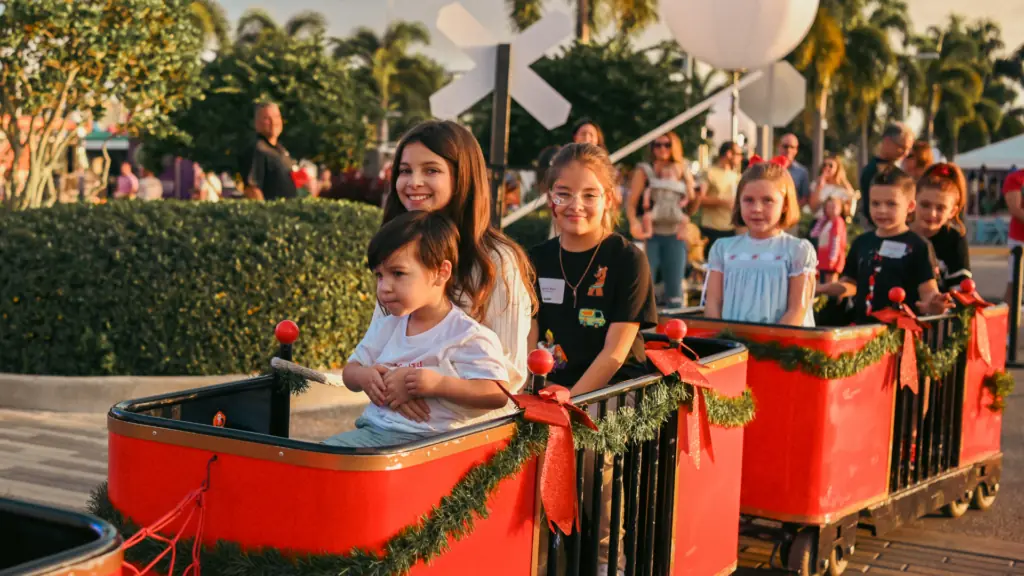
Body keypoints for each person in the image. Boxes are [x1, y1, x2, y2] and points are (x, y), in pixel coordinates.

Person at [528, 143, 657, 576]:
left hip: (609, 396)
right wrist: (530, 392)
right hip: (553, 394)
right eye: (562, 193)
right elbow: (529, 338)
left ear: (609, 198)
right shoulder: (537, 258)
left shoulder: (627, 260)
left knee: (597, 491)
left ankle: (608, 566)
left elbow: (616, 352)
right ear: (549, 196)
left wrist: (571, 403)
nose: (574, 205)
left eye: (589, 194)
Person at [378, 120, 536, 422]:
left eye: (431, 170)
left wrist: (424, 386)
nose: (413, 182)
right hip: (392, 422)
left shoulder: (497, 261)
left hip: (467, 435)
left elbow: (509, 375)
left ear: (462, 177)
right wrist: (385, 385)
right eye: (405, 170)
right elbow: (381, 343)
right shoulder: (396, 250)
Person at [326, 212, 512, 447]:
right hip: (373, 430)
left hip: (427, 444)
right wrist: (365, 377)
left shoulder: (467, 335)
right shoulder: (387, 326)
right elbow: (350, 372)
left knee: (323, 460)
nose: (384, 288)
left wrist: (437, 385)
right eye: (379, 276)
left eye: (398, 273)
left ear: (441, 272)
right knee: (318, 460)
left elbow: (497, 393)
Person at [819, 166, 952, 323]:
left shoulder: (919, 246)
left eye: (891, 204)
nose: (882, 210)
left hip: (901, 335)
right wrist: (820, 289)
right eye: (875, 203)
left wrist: (933, 305)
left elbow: (928, 292)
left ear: (910, 207)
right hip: (862, 332)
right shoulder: (861, 242)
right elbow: (850, 284)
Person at [702, 159, 817, 327]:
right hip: (733, 347)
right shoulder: (723, 249)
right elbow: (713, 305)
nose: (757, 208)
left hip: (781, 346)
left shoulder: (797, 250)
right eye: (748, 200)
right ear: (738, 203)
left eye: (767, 200)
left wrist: (769, 344)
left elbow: (796, 310)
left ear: (784, 204)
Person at [626, 132, 695, 307]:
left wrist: (693, 193)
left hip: (674, 233)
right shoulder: (645, 170)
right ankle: (640, 324)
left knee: (675, 283)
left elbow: (692, 203)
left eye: (667, 144)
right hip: (650, 233)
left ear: (675, 146)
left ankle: (675, 328)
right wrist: (633, 222)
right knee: (643, 280)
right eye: (658, 145)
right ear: (652, 147)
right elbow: (632, 202)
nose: (663, 149)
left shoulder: (682, 169)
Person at [910, 163, 971, 292]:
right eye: (925, 205)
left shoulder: (954, 239)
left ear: (953, 212)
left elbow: (960, 287)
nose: (932, 213)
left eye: (940, 208)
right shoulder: (899, 232)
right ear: (912, 202)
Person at [859, 123, 914, 225]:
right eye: (902, 147)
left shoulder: (897, 170)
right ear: (887, 141)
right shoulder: (874, 171)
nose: (905, 153)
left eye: (908, 149)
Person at [242, 101, 297, 201]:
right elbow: (253, 188)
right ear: (257, 124)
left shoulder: (281, 150)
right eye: (267, 118)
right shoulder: (258, 149)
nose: (273, 122)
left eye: (276, 117)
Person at [697, 141, 741, 258]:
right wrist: (723, 202)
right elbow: (700, 199)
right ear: (729, 154)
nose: (741, 158)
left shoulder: (736, 176)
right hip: (711, 231)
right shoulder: (709, 173)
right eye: (738, 154)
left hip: (731, 231)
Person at [810, 196, 847, 284]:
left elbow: (836, 240)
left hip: (832, 257)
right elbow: (813, 234)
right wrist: (821, 221)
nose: (831, 210)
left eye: (834, 207)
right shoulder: (825, 221)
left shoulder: (838, 221)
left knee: (831, 283)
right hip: (823, 256)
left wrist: (833, 258)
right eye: (829, 207)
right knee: (822, 282)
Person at [810, 153, 857, 217]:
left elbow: (851, 205)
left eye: (830, 165)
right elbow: (813, 208)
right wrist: (819, 186)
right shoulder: (816, 184)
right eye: (824, 165)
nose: (827, 167)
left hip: (837, 222)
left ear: (837, 168)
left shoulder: (843, 187)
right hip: (819, 221)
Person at [1003, 168, 1024, 306]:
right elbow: (1016, 209)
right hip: (1020, 240)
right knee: (1015, 285)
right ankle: (1006, 324)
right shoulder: (1015, 178)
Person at [777, 134, 810, 205]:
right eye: (785, 146)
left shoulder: (802, 172)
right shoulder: (769, 168)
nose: (788, 150)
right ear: (779, 147)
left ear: (796, 150)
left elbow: (804, 197)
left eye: (792, 147)